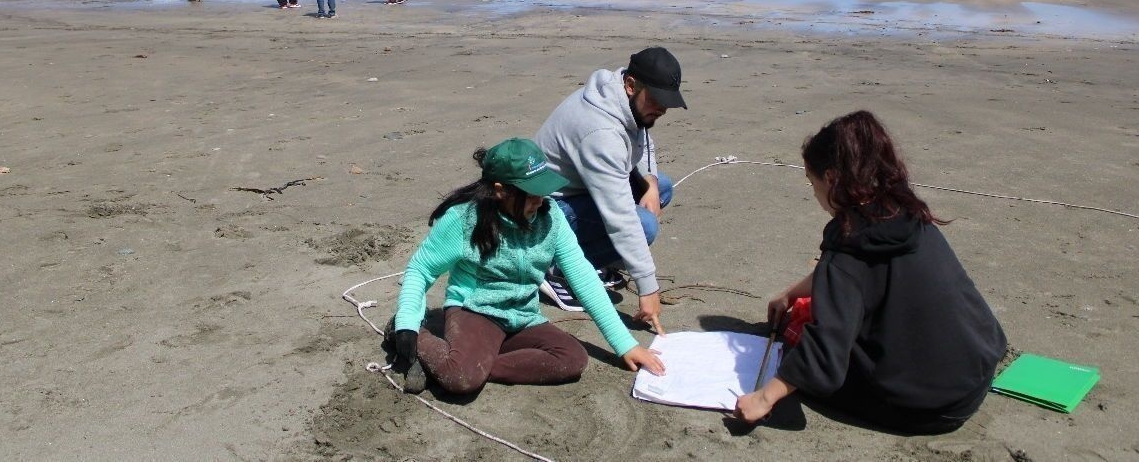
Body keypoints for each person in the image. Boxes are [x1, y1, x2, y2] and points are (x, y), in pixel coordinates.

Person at [733, 110, 1007, 434]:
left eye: (812, 181)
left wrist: (763, 398)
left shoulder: (847, 246)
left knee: (795, 345)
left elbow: (826, 352)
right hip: (976, 373)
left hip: (929, 408)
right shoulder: (906, 213)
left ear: (831, 179)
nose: (814, 193)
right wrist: (793, 293)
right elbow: (861, 276)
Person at [386, 138, 665, 395]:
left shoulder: (551, 217)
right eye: (531, 194)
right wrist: (408, 324)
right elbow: (420, 270)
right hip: (475, 311)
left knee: (572, 359)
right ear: (500, 191)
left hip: (523, 315)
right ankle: (413, 336)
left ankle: (474, 363)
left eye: (543, 190)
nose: (540, 200)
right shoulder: (464, 220)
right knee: (462, 380)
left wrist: (625, 344)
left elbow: (582, 275)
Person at [533, 47, 686, 334]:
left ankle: (584, 256)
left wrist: (650, 183)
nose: (663, 109)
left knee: (661, 186)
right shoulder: (600, 133)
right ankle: (557, 268)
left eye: (668, 102)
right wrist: (647, 286)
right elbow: (620, 218)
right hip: (542, 211)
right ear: (630, 86)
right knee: (644, 226)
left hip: (577, 190)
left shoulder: (621, 98)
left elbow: (642, 141)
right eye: (657, 100)